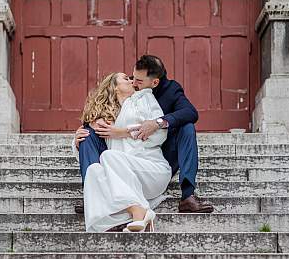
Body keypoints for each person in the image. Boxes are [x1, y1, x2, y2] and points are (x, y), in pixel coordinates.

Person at [75, 55, 214, 213]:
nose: (133, 83)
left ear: (154, 82)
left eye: (138, 81)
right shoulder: (124, 99)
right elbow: (97, 124)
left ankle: (188, 196)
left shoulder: (168, 91)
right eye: (132, 77)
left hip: (158, 153)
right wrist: (79, 137)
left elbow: (190, 113)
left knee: (187, 127)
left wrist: (157, 123)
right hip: (123, 158)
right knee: (87, 135)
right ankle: (92, 194)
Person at [77, 72, 171, 232]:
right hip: (123, 177)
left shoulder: (144, 98)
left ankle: (136, 211)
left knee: (108, 156)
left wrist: (122, 132)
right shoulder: (106, 118)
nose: (132, 80)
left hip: (151, 170)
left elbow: (160, 133)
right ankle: (122, 219)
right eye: (125, 78)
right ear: (114, 87)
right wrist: (77, 140)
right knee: (94, 170)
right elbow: (90, 147)